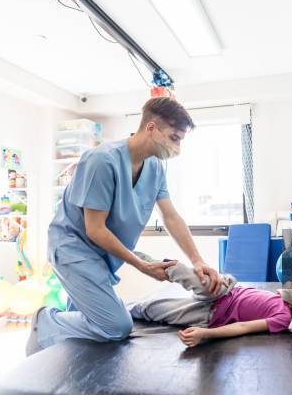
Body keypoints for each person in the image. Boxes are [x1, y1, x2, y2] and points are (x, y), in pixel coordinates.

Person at [26, 97, 224, 356]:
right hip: (74, 249)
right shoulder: (101, 161)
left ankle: (61, 355)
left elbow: (171, 216)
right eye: (174, 138)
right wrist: (142, 266)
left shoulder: (155, 167)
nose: (178, 148)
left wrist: (197, 260)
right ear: (151, 128)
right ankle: (45, 322)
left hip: (104, 254)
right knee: (115, 326)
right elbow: (94, 229)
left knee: (85, 323)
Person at [127, 258, 292, 347]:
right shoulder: (280, 297)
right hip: (224, 290)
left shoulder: (282, 317)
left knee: (151, 310)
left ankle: (127, 308)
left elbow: (243, 326)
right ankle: (155, 265)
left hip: (209, 315)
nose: (289, 284)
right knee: (196, 278)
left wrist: (204, 334)